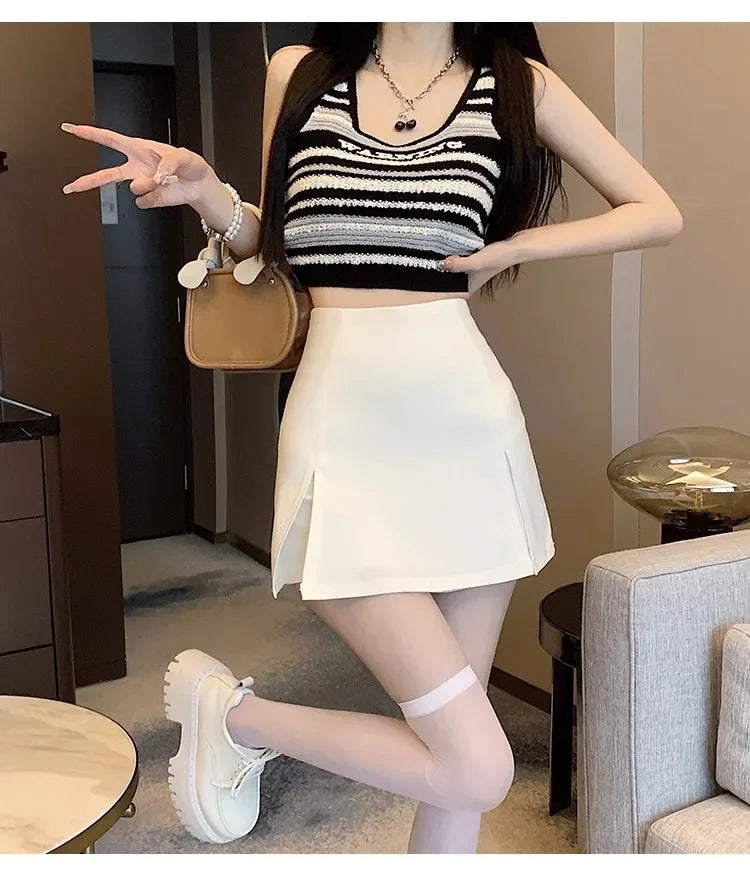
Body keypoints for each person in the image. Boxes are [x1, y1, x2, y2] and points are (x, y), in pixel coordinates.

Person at [61, 22, 683, 854]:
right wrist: (209, 193)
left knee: (449, 768)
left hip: (470, 436)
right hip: (341, 431)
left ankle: (239, 720)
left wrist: (513, 247)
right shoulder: (299, 72)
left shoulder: (517, 83)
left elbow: (657, 210)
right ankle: (239, 717)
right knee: (477, 766)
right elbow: (274, 246)